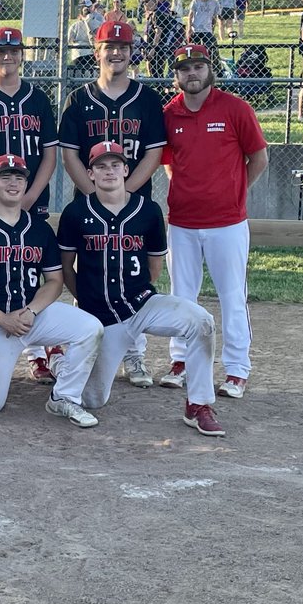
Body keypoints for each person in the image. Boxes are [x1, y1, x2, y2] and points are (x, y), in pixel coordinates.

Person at [58, 142, 223, 437]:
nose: (108, 171)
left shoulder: (147, 211)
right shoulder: (75, 212)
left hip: (142, 304)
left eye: (114, 165)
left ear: (126, 170)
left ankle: (199, 404)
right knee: (93, 400)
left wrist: (138, 295)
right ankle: (64, 364)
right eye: (100, 166)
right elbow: (66, 267)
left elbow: (154, 265)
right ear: (90, 173)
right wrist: (85, 300)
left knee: (202, 322)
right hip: (101, 316)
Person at [0, 154, 103, 428]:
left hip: (30, 318)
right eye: (5, 177)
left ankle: (64, 397)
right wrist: (1, 318)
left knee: (90, 327)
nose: (13, 183)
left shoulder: (39, 229)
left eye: (19, 177)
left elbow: (54, 281)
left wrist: (32, 310)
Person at [58, 19, 166, 388]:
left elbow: (154, 152)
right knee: (88, 275)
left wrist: (125, 193)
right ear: (96, 49)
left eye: (123, 46)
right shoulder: (79, 99)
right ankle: (81, 350)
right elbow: (70, 154)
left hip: (135, 204)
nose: (116, 52)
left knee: (135, 281)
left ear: (131, 52)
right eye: (109, 46)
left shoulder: (147, 99)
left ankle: (134, 355)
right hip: (88, 204)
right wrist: (95, 196)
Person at [160, 44, 268, 400]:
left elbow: (259, 158)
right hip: (183, 221)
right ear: (176, 74)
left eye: (198, 66)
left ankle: (236, 369)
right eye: (184, 68)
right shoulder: (170, 113)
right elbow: (167, 161)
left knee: (232, 295)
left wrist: (233, 190)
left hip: (227, 222)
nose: (191, 73)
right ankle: (181, 362)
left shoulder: (234, 108)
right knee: (182, 295)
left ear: (210, 69)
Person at [0, 26, 61, 383]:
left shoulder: (37, 98)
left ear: (22, 55)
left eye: (13, 50)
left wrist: (30, 194)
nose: (7, 56)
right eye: (0, 51)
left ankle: (36, 351)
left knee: (32, 273)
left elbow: (50, 154)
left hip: (32, 198)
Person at [186, 0, 220, 65]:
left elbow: (214, 17)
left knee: (210, 49)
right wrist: (189, 28)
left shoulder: (214, 3)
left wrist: (212, 29)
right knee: (195, 50)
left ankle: (210, 66)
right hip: (196, 29)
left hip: (207, 30)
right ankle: (196, 64)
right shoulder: (196, 0)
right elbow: (190, 15)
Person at [67, 3, 96, 74]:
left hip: (78, 52)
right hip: (90, 51)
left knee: (78, 71)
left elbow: (69, 40)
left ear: (81, 15)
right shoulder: (95, 24)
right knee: (90, 70)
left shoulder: (74, 26)